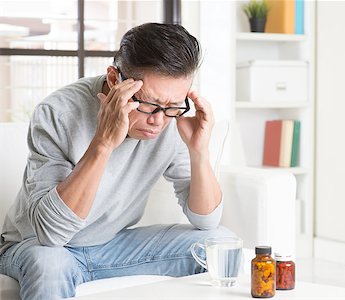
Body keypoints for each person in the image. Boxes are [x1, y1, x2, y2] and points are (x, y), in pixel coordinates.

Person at [0, 23, 234, 299]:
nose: (158, 121)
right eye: (147, 103)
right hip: (38, 245)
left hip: (112, 244)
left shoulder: (172, 120)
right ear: (114, 79)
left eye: (173, 106)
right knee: (49, 264)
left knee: (221, 244)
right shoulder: (58, 112)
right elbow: (51, 235)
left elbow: (206, 222)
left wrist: (199, 152)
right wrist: (104, 142)